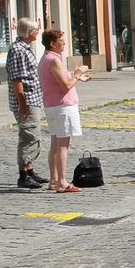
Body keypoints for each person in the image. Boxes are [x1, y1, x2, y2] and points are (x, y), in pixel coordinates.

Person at [39, 28, 90, 192]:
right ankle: (61, 181)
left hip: (52, 105)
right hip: (62, 105)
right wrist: (77, 74)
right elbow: (65, 85)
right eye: (61, 41)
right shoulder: (53, 60)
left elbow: (61, 79)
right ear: (52, 44)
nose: (65, 44)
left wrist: (76, 77)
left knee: (55, 144)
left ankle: (54, 180)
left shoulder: (47, 58)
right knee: (62, 145)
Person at [7, 18, 46, 190]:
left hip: (33, 98)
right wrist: (22, 103)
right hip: (27, 100)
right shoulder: (18, 50)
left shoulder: (25, 48)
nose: (38, 32)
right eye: (36, 29)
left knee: (33, 134)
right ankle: (23, 175)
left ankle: (30, 171)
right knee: (29, 136)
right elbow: (17, 79)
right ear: (30, 32)